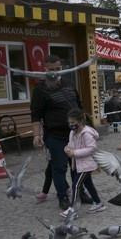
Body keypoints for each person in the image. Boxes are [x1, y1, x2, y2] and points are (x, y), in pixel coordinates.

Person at [31, 55, 82, 210]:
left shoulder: (69, 84)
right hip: (55, 136)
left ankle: (79, 192)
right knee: (59, 168)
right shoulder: (40, 89)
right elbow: (35, 114)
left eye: (57, 69)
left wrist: (86, 129)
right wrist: (36, 135)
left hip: (75, 134)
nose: (54, 72)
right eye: (50, 69)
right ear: (44, 69)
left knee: (77, 167)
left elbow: (79, 106)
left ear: (62, 68)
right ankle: (63, 198)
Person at [61, 108, 106, 218]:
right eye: (69, 122)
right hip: (78, 164)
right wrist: (67, 148)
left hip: (87, 164)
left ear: (80, 121)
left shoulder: (86, 134)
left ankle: (72, 210)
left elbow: (92, 148)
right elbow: (71, 144)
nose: (71, 125)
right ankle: (98, 203)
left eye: (73, 122)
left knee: (76, 185)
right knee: (88, 184)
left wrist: (74, 153)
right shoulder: (72, 132)